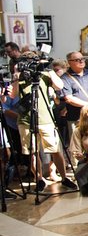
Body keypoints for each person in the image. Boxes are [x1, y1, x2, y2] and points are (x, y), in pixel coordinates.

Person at [11, 52, 76, 190]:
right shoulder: (21, 76)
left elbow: (59, 86)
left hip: (45, 119)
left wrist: (48, 69)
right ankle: (39, 178)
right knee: (32, 152)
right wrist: (16, 76)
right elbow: (13, 94)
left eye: (32, 60)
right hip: (26, 120)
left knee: (55, 150)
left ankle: (64, 177)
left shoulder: (45, 75)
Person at [61, 51, 88, 146]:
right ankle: (76, 161)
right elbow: (69, 98)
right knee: (77, 145)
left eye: (82, 59)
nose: (81, 61)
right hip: (76, 117)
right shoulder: (65, 78)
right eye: (77, 60)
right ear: (69, 62)